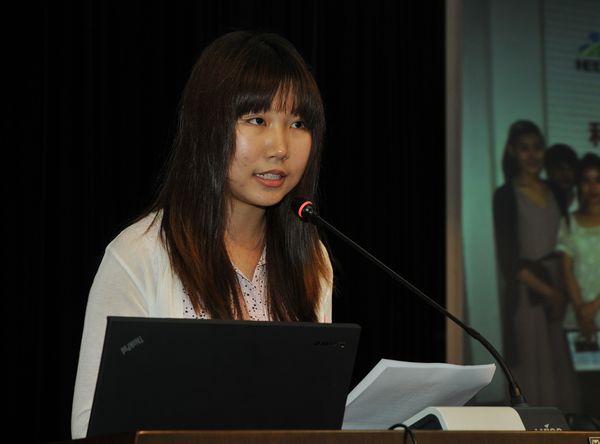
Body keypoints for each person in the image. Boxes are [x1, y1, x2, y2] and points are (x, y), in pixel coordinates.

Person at [71, 31, 333, 439]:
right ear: (207, 126)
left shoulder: (312, 259)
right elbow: (93, 427)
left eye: (298, 123)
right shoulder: (139, 255)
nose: (280, 147)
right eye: (257, 120)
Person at [492, 120, 579, 413]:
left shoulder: (556, 190)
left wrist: (564, 293)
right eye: (524, 148)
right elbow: (509, 263)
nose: (532, 155)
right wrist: (550, 293)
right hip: (529, 292)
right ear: (512, 152)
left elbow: (568, 244)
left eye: (537, 147)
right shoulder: (505, 195)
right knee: (533, 363)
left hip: (560, 287)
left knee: (560, 365)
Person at [556, 153, 600, 419]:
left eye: (598, 180)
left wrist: (593, 306)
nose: (592, 187)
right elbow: (567, 270)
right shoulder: (569, 221)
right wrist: (582, 311)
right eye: (586, 180)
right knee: (589, 392)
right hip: (579, 320)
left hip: (592, 310)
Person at [545, 143, 579, 212]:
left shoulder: (583, 203)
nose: (565, 174)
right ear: (549, 171)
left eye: (570, 169)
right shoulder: (540, 201)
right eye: (560, 168)